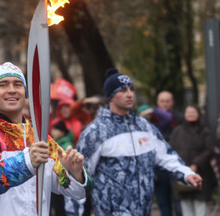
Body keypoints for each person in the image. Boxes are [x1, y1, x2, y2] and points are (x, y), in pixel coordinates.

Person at [0, 62, 92, 216]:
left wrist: (75, 174)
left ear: (25, 93)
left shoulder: (38, 136)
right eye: (3, 85)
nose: (12, 90)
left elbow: (77, 191)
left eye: (18, 85)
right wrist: (26, 162)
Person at [76, 68, 202, 216]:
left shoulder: (144, 126)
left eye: (131, 89)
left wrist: (186, 174)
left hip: (143, 210)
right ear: (110, 95)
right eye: (122, 90)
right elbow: (79, 176)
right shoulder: (95, 132)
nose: (129, 94)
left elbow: (166, 156)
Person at [170, 105, 216, 216]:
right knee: (186, 209)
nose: (190, 114)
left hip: (201, 174)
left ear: (198, 114)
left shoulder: (205, 131)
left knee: (201, 208)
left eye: (193, 112)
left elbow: (209, 150)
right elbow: (170, 150)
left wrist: (196, 164)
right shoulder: (178, 131)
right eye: (188, 112)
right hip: (183, 174)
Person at [154, 90, 185, 216]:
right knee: (163, 203)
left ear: (172, 102)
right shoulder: (151, 119)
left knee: (179, 202)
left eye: (167, 101)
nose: (165, 104)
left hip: (175, 164)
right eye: (162, 101)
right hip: (158, 168)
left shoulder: (180, 118)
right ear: (158, 103)